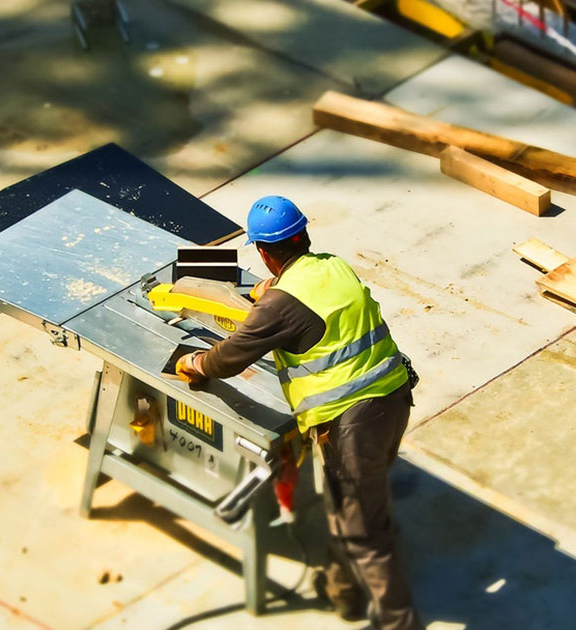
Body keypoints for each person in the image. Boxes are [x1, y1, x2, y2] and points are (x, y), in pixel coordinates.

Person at [176, 195, 421, 630]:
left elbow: (228, 360)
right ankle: (346, 594)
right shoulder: (333, 265)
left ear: (265, 252)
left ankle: (399, 622)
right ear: (303, 235)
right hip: (395, 398)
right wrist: (274, 291)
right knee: (352, 510)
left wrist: (195, 363)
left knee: (364, 533)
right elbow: (313, 299)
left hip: (351, 423)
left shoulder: (278, 306)